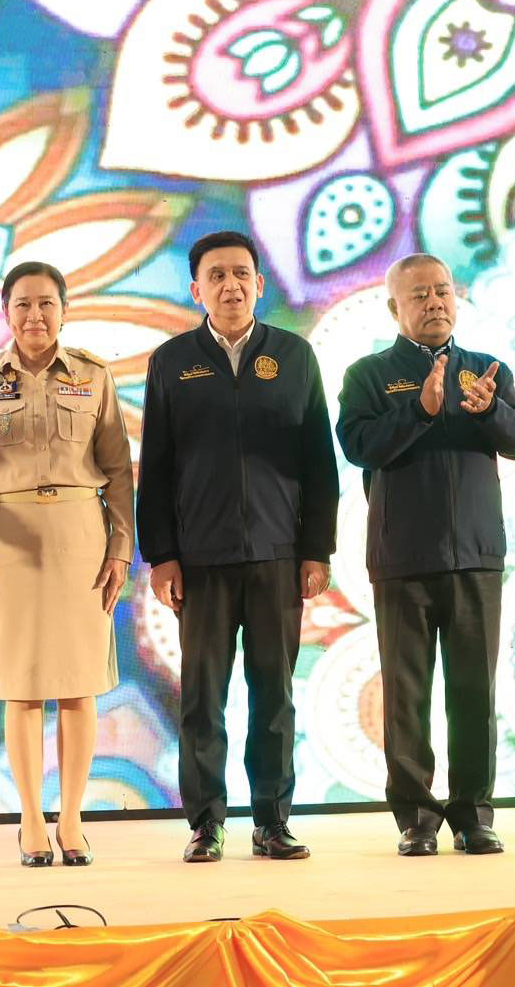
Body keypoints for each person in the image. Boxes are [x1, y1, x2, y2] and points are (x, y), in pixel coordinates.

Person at [136, 230, 338, 863]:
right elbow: (156, 467)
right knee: (203, 698)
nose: (230, 285)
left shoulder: (295, 356)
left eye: (241, 273)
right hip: (200, 560)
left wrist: (316, 549)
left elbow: (319, 460)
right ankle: (206, 824)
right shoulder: (172, 362)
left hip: (278, 555)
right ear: (196, 289)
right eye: (216, 275)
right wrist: (162, 555)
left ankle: (273, 822)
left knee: (274, 696)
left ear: (259, 284)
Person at [337, 253, 515, 857]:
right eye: (419, 295)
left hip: (476, 554)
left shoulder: (486, 370)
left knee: (475, 694)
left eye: (442, 291)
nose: (434, 303)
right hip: (402, 557)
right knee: (407, 696)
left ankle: (474, 815)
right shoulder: (370, 374)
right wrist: (420, 409)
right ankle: (416, 819)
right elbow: (359, 445)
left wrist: (490, 409)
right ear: (393, 307)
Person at [0, 261, 132, 868]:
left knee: (79, 686)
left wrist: (120, 548)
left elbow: (119, 473)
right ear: (7, 312)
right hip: (9, 541)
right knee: (22, 687)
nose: (35, 315)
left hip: (82, 537)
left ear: (64, 309)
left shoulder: (93, 376)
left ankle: (72, 817)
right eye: (23, 304)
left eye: (46, 304)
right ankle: (31, 817)